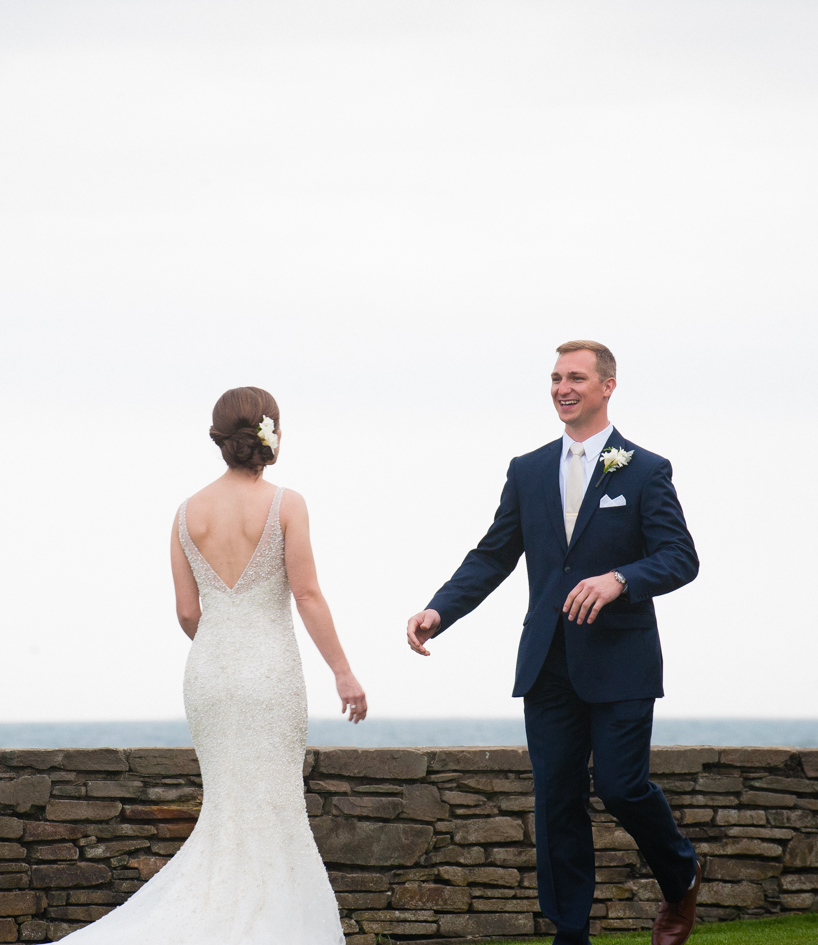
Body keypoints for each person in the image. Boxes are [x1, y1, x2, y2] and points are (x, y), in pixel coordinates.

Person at [404, 341, 701, 945]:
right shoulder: (528, 469)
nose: (563, 388)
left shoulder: (645, 469)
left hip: (621, 663)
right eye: (556, 378)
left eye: (577, 378)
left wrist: (620, 579)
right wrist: (440, 609)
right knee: (557, 803)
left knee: (621, 787)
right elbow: (493, 554)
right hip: (547, 664)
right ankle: (571, 934)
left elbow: (680, 558)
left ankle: (681, 873)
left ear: (607, 386)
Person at [59, 386, 367, 945]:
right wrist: (343, 672)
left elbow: (186, 611)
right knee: (272, 808)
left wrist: (224, 644)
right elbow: (308, 593)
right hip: (270, 673)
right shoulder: (285, 503)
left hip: (209, 675)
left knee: (228, 810)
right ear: (271, 433)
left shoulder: (185, 513)